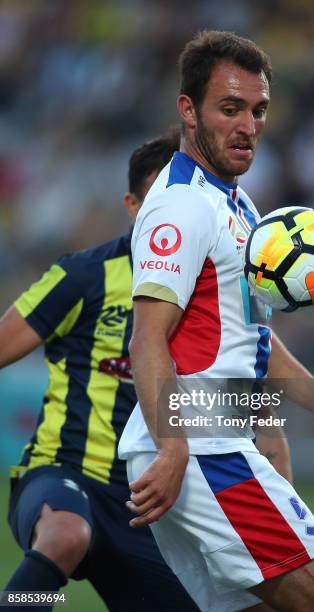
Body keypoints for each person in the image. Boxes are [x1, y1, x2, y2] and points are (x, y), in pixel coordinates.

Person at [119, 31, 314, 612]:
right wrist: (173, 448)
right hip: (203, 450)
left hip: (212, 439)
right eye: (229, 108)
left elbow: (251, 334)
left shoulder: (237, 203)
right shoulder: (181, 203)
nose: (248, 126)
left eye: (258, 111)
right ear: (188, 111)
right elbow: (148, 336)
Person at [0, 131, 203, 612]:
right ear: (133, 206)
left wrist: (309, 409)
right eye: (157, 203)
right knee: (66, 536)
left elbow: (260, 354)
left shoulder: (207, 288)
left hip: (144, 504)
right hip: (62, 470)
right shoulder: (84, 276)